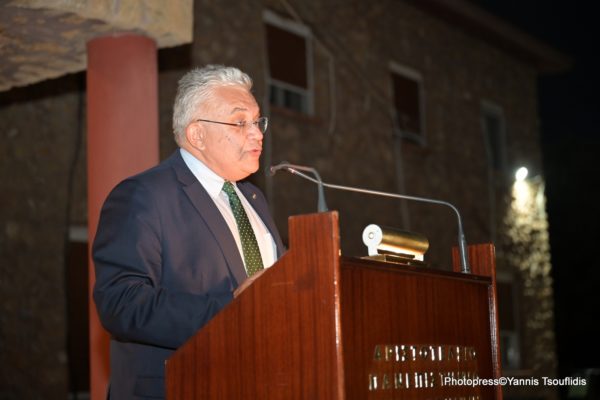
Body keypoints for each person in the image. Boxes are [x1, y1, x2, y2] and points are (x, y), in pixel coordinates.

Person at [92, 65, 285, 399]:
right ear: (197, 135)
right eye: (241, 122)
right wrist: (232, 310)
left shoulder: (254, 198)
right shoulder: (145, 195)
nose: (257, 133)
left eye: (258, 121)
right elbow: (121, 303)